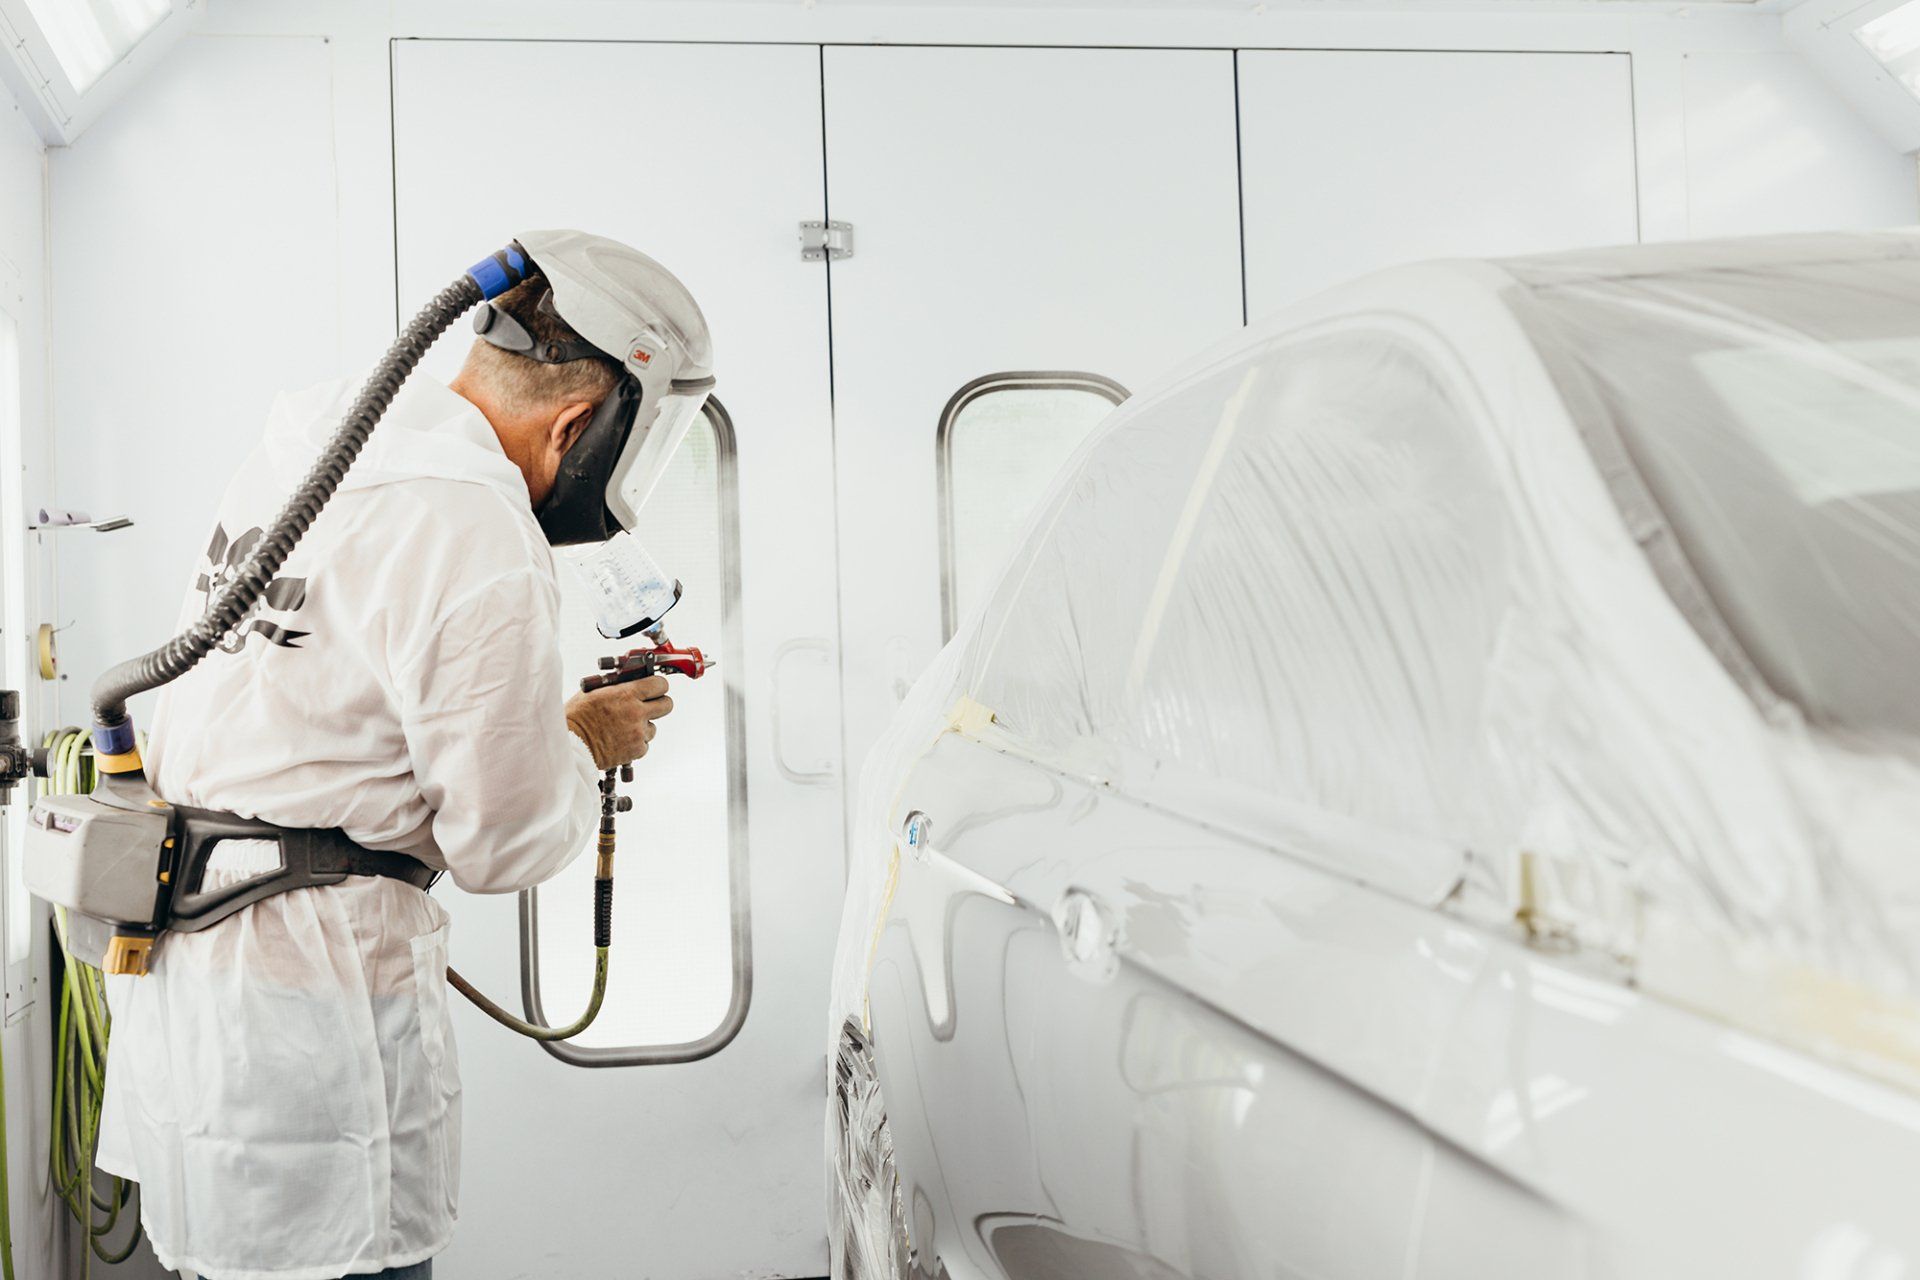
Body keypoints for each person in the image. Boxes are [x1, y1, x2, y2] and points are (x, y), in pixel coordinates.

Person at [94, 262, 685, 1280]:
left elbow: (332, 709)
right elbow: (499, 842)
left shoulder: (315, 456)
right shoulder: (479, 524)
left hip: (194, 981)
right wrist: (584, 740)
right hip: (311, 1027)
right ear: (577, 423)